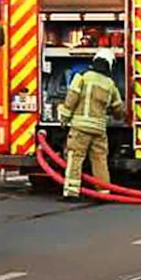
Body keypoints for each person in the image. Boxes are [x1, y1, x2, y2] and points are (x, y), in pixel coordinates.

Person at [59, 48, 125, 200]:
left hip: (80, 127)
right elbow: (118, 109)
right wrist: (119, 116)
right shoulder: (110, 85)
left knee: (75, 158)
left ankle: (71, 191)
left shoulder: (82, 77)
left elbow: (71, 99)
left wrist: (64, 119)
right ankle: (103, 192)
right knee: (100, 160)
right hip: (99, 130)